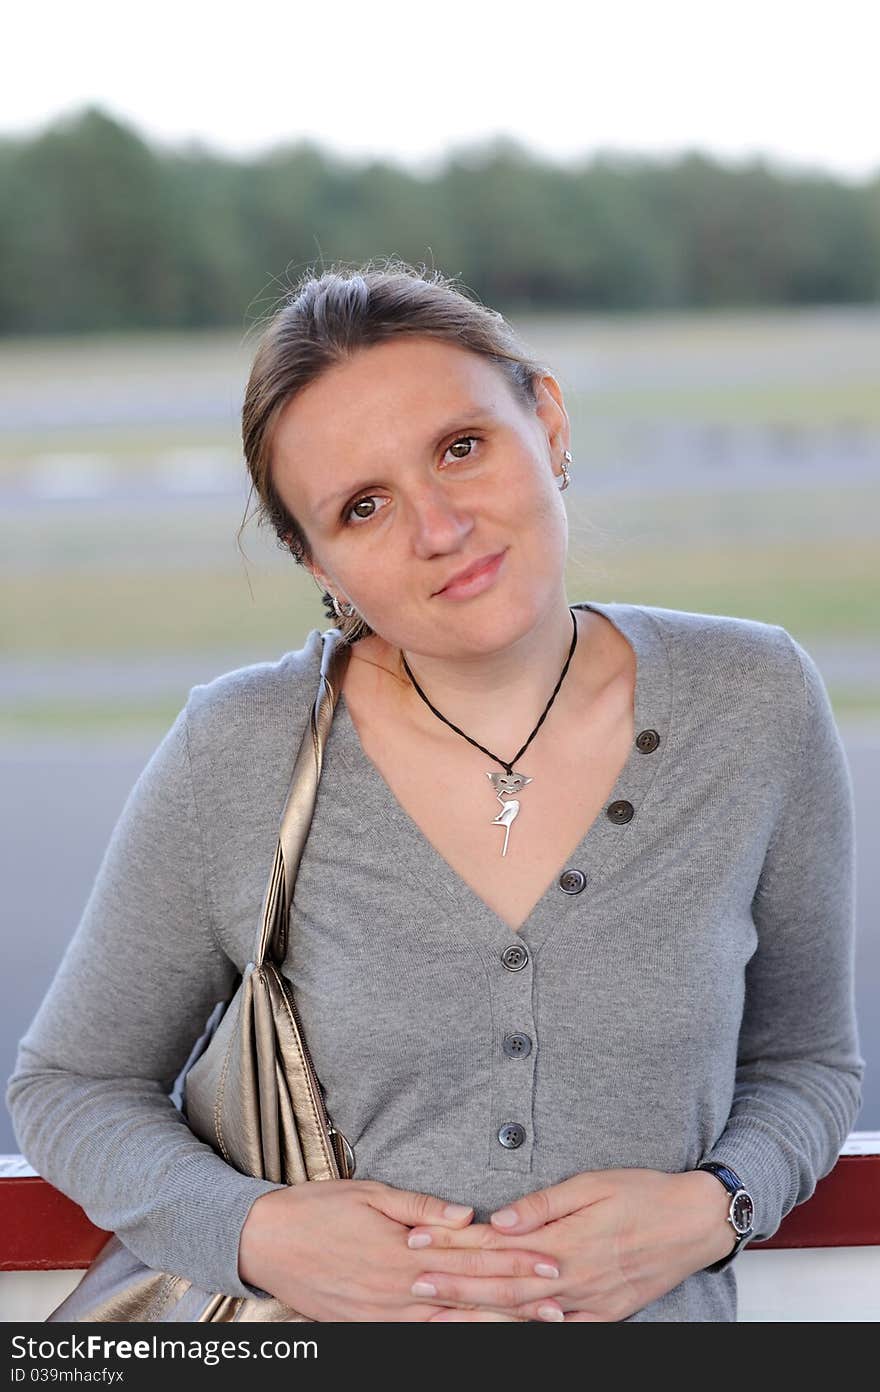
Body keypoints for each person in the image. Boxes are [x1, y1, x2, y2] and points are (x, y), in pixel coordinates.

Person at [6, 261, 864, 1323]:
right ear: (311, 557)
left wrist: (716, 1206)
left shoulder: (753, 701)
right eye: (362, 508)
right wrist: (257, 1234)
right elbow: (69, 1088)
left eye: (462, 448)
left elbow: (807, 1063)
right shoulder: (237, 747)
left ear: (544, 420)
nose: (439, 529)